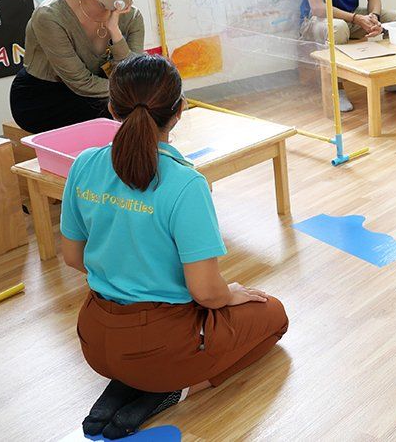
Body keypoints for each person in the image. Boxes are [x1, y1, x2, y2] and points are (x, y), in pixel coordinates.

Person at [60, 54, 288, 439]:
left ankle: (129, 382)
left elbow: (72, 256)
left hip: (95, 338)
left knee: (140, 352)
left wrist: (124, 270)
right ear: (180, 110)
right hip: (162, 344)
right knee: (275, 316)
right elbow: (206, 292)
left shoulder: (84, 164)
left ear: (112, 108)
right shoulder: (186, 184)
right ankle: (169, 388)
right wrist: (231, 294)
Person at [9, 0, 145, 133]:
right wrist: (135, 91)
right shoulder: (50, 16)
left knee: (149, 105)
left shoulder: (132, 16)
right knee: (129, 113)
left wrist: (115, 31)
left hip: (104, 91)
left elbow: (133, 72)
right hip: (45, 97)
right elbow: (81, 83)